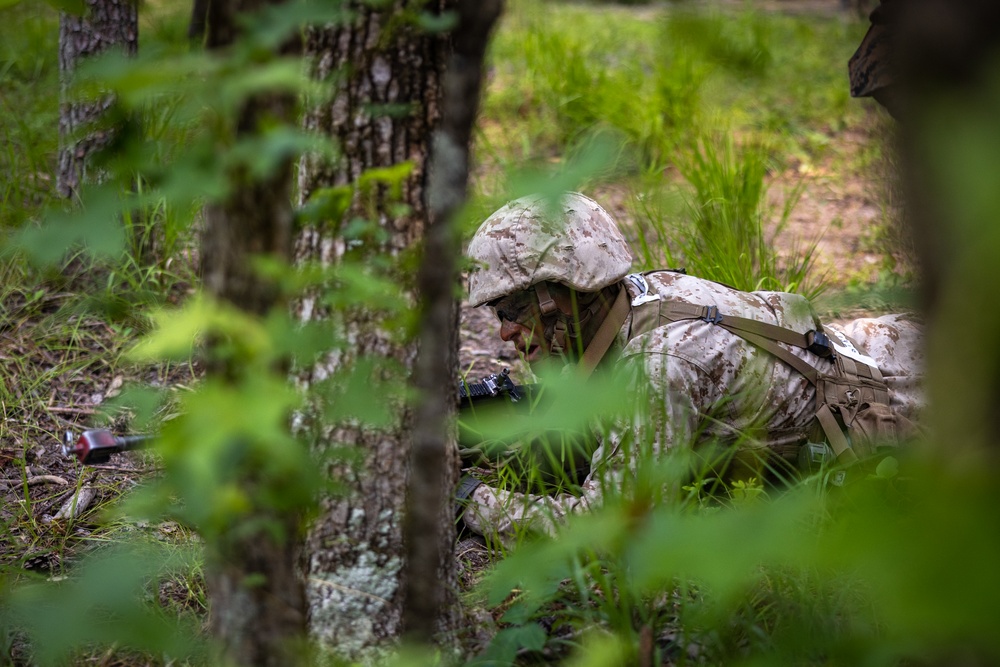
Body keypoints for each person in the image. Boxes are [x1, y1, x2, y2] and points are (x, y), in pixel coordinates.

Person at [457, 192, 924, 538]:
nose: (504, 334)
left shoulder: (657, 367)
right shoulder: (639, 295)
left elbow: (609, 529)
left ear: (559, 297)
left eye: (511, 313)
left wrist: (470, 501)